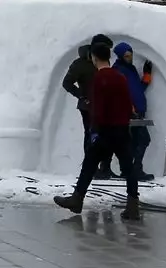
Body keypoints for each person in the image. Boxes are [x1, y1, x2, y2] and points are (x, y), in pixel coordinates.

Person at [53, 37, 140, 220]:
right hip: (122, 129)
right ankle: (133, 206)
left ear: (94, 57)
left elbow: (98, 108)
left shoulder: (99, 78)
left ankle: (77, 199)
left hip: (105, 130)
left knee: (89, 164)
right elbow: (127, 103)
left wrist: (94, 131)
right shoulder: (120, 76)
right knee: (128, 167)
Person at [61, 36, 117, 179]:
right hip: (88, 107)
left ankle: (105, 167)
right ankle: (91, 168)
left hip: (105, 105)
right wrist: (82, 96)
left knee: (107, 135)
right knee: (92, 136)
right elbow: (67, 83)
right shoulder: (80, 64)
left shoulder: (104, 61)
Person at [112, 40, 155, 181]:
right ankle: (135, 169)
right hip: (130, 113)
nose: (129, 58)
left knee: (134, 142)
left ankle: (129, 170)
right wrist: (129, 109)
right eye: (126, 56)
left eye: (130, 55)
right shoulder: (118, 71)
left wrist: (146, 76)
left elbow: (137, 90)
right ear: (120, 56)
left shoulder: (131, 70)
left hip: (138, 111)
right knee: (143, 140)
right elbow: (119, 93)